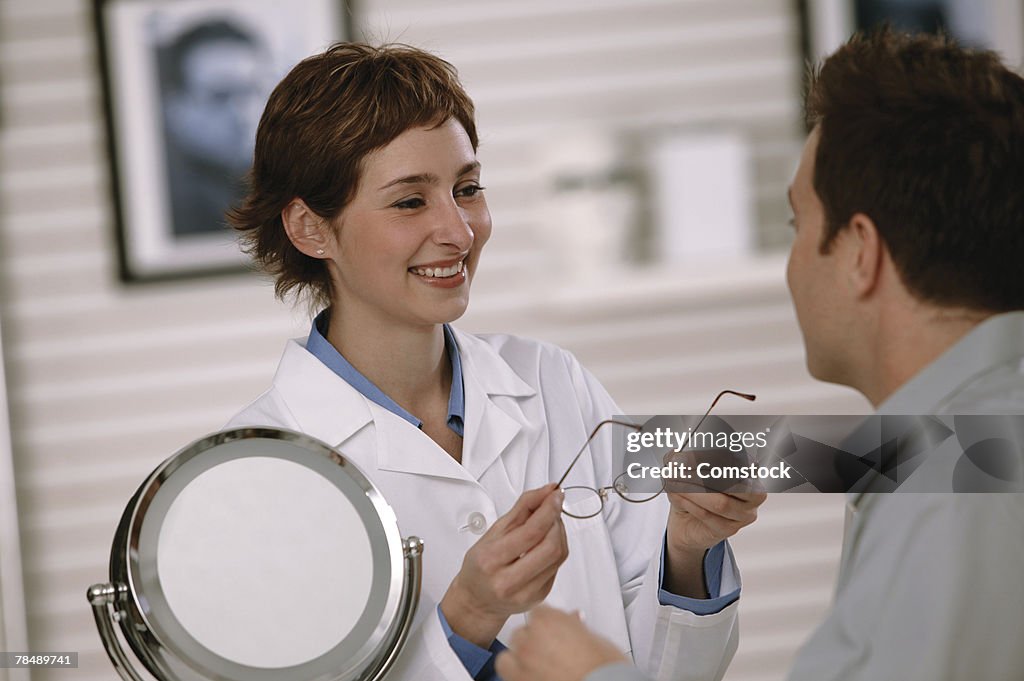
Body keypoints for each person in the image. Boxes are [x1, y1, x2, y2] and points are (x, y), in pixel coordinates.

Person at [225, 43, 766, 681]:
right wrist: (467, 619)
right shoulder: (254, 474)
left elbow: (674, 671)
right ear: (310, 229)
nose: (459, 230)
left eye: (468, 189)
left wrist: (688, 547)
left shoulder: (551, 382)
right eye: (409, 201)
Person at [495, 28, 1024, 681]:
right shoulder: (966, 445)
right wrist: (686, 551)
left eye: (798, 225)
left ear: (860, 253)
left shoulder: (960, 492)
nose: (792, 265)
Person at [158, 18, 271, 236]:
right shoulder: (172, 202)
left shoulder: (278, 179)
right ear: (175, 109)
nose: (244, 114)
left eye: (252, 90)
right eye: (220, 96)